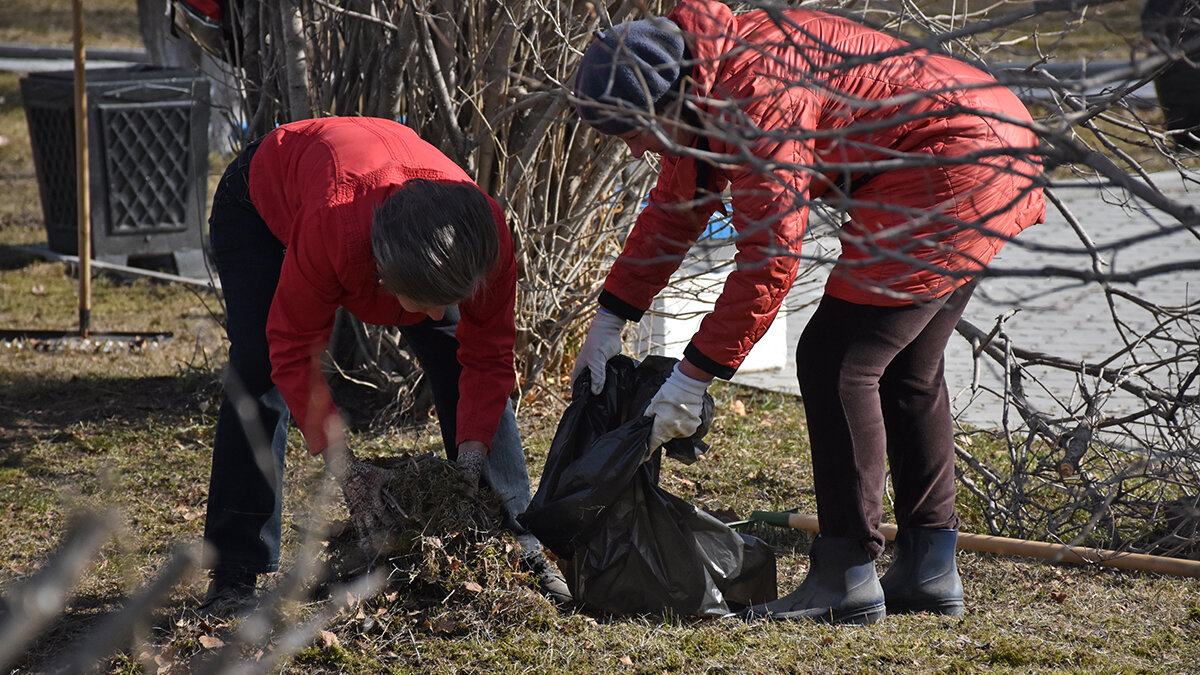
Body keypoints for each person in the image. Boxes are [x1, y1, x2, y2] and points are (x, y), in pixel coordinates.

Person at [570, 1, 1045, 624]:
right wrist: (610, 319)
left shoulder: (756, 94)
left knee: (835, 360)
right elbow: (675, 209)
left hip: (955, 160)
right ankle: (930, 566)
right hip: (990, 141)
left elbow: (769, 257)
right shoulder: (704, 76)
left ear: (668, 100)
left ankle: (845, 573)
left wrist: (693, 377)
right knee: (906, 368)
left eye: (633, 132)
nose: (633, 152)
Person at [200, 116, 569, 615]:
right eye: (426, 300)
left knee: (454, 352)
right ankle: (234, 571)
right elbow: (291, 349)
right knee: (258, 365)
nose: (441, 314)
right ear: (380, 274)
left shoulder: (485, 235)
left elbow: (487, 354)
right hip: (261, 202)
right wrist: (346, 468)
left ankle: (516, 541)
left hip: (394, 197)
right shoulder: (334, 231)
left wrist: (471, 456)